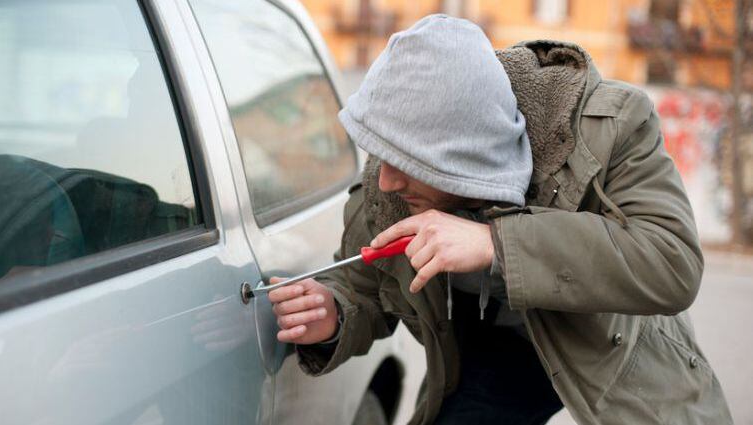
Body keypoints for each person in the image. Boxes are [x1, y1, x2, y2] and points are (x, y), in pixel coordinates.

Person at [268, 14, 732, 425]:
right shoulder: (388, 182)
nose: (386, 180)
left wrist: (495, 243)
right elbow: (365, 287)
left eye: (405, 163)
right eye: (381, 154)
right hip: (494, 360)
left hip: (617, 352)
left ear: (462, 156)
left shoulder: (610, 126)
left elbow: (671, 262)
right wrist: (334, 314)